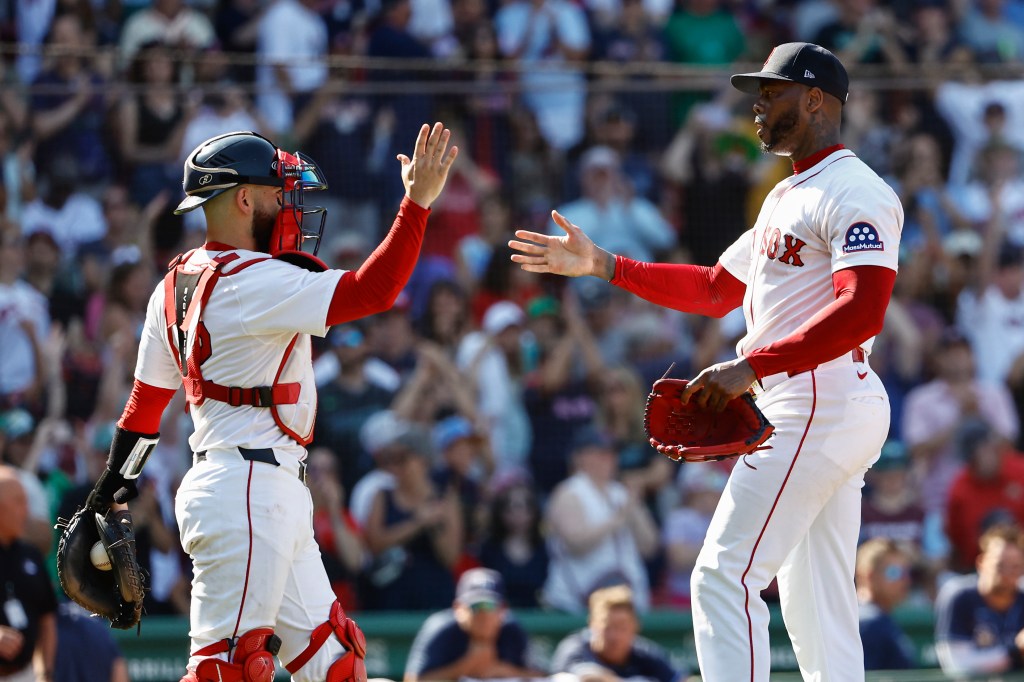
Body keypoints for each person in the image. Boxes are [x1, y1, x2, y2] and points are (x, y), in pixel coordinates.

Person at [511, 42, 903, 681]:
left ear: (813, 100)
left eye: (770, 92)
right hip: (813, 400)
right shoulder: (784, 196)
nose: (756, 105)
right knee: (816, 606)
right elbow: (716, 288)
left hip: (815, 398)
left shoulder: (856, 189)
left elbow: (863, 311)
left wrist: (752, 367)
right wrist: (605, 265)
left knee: (725, 574)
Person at [73, 123, 457, 681]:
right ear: (245, 198)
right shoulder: (255, 280)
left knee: (335, 666)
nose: (288, 206)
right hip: (247, 489)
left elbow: (144, 410)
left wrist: (107, 493)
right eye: (279, 194)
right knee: (227, 671)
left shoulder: (172, 285)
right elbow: (376, 291)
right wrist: (416, 203)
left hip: (259, 488)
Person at [404, 568, 542, 681]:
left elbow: (543, 676)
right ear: (458, 608)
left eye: (490, 606)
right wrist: (464, 667)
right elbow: (412, 680)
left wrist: (502, 670)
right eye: (475, 606)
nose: (483, 615)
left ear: (502, 610)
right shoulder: (441, 629)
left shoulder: (512, 630)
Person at [935, 524, 1024, 677]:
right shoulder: (959, 595)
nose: (1007, 574)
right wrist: (1015, 652)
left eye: (1015, 567)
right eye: (1000, 566)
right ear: (981, 563)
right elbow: (957, 666)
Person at [548, 584, 684, 682]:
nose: (614, 636)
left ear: (634, 627)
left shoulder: (646, 654)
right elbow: (585, 676)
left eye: (622, 628)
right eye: (607, 627)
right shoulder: (575, 648)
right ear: (592, 624)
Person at [0, 467, 57, 682]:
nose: (26, 511)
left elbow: (47, 618)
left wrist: (45, 673)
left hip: (25, 674)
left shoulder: (30, 555)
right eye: (18, 502)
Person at [855, 538, 915, 671]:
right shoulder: (868, 622)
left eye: (907, 572)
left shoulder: (880, 618)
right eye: (894, 573)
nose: (905, 580)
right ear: (869, 576)